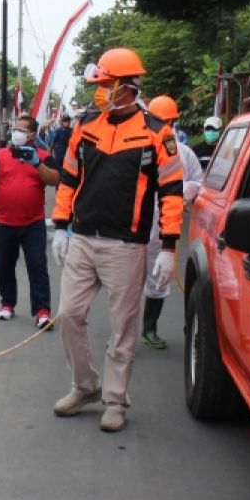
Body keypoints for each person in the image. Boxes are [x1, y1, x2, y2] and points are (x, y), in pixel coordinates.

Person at [49, 48, 184, 432]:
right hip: (83, 238)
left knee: (123, 326)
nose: (100, 91)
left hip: (127, 245)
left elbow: (172, 193)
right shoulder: (86, 124)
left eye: (107, 85)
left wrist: (169, 247)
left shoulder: (158, 132)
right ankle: (85, 385)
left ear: (128, 87)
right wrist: (61, 225)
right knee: (70, 314)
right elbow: (69, 178)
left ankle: (115, 400)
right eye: (100, 84)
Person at [0, 114, 61, 328]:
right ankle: (7, 304)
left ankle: (42, 311)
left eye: (21, 130)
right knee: (5, 266)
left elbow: (55, 179)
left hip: (33, 223)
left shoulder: (43, 155)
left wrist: (37, 163)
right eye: (15, 129)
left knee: (37, 266)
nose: (16, 133)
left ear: (31, 134)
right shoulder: (1, 155)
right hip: (5, 221)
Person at [139, 96, 203, 349]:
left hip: (166, 226)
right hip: (135, 225)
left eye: (168, 122)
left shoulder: (184, 153)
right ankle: (122, 332)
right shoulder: (139, 149)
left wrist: (182, 190)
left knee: (159, 278)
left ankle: (149, 328)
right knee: (127, 281)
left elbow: (198, 182)